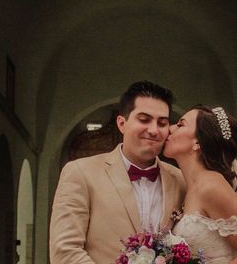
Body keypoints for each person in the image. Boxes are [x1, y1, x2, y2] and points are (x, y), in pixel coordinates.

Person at [49, 81, 186, 264]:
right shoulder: (80, 172)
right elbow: (64, 251)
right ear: (122, 123)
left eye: (162, 123)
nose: (153, 130)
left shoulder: (180, 180)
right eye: (144, 120)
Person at [164, 105, 237, 264]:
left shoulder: (212, 186)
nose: (170, 128)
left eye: (180, 124)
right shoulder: (190, 188)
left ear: (198, 141)